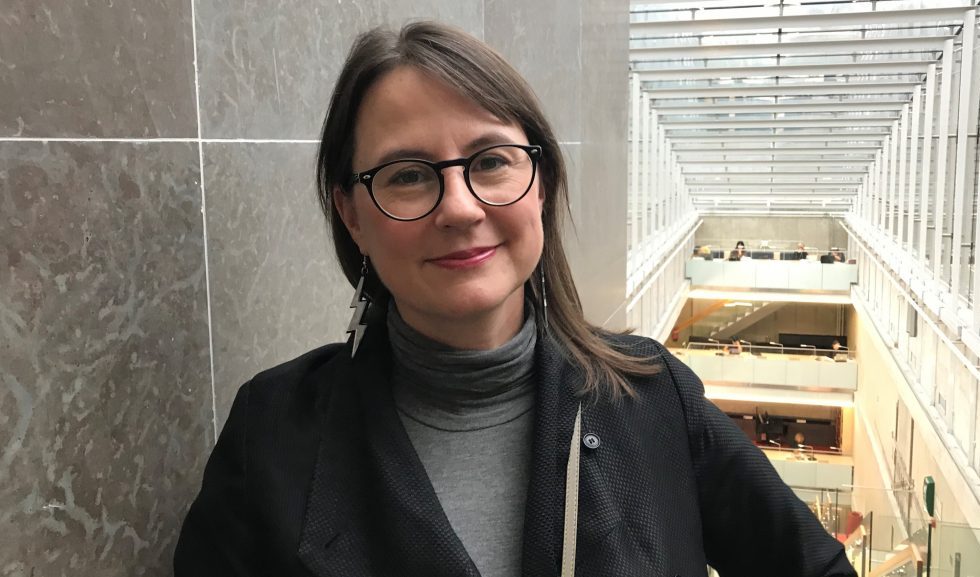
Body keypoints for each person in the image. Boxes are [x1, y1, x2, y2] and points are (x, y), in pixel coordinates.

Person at [173, 22, 855, 577]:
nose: (461, 208)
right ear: (352, 214)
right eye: (409, 175)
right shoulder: (272, 435)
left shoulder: (651, 398)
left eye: (491, 161)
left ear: (542, 183)